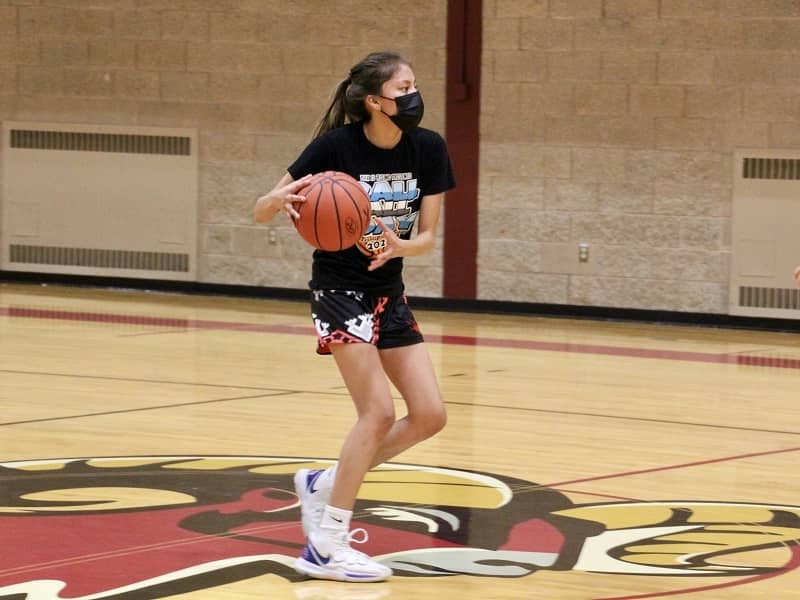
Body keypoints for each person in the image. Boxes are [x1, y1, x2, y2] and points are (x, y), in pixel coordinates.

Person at [254, 51, 455, 582]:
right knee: (378, 413)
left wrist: (399, 246)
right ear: (373, 101)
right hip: (340, 290)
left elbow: (429, 238)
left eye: (415, 85)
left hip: (389, 291)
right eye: (403, 87)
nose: (413, 95)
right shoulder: (335, 147)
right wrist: (274, 199)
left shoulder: (428, 147)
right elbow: (262, 207)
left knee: (431, 414)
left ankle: (325, 482)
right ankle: (326, 543)